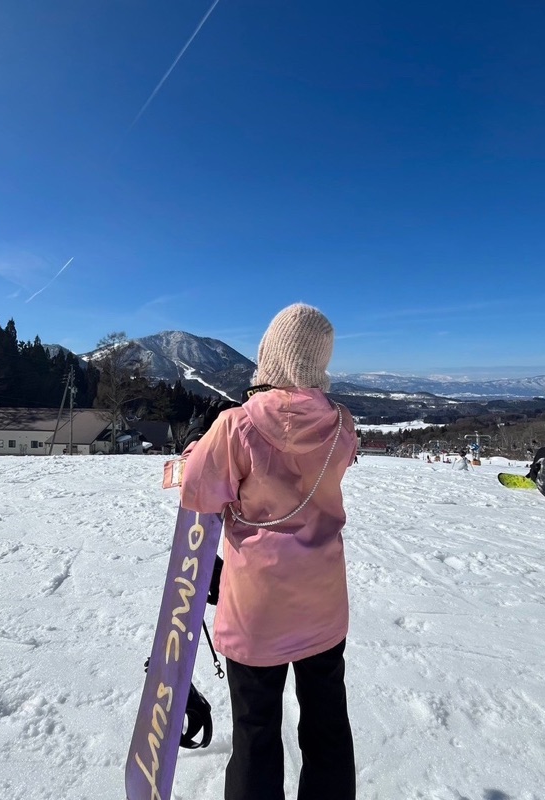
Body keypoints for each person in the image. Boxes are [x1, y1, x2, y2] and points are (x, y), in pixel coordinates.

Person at [179, 303, 357, 800]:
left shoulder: (236, 425)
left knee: (255, 731)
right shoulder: (342, 422)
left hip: (257, 606)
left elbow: (196, 491)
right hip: (323, 600)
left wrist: (196, 446)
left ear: (271, 355)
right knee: (327, 725)